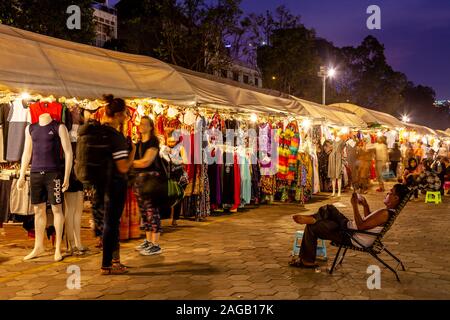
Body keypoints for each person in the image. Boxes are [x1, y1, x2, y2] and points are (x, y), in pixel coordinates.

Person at [290, 184, 409, 268]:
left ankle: (313, 221)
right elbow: (369, 222)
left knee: (318, 221)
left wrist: (354, 206)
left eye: (391, 192)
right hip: (350, 230)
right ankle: (314, 219)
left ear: (396, 198)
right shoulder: (386, 212)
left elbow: (361, 226)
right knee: (325, 216)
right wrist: (365, 205)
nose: (387, 193)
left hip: (350, 235)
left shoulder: (385, 213)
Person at [98, 95, 136, 275]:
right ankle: (107, 264)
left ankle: (115, 261)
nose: (127, 117)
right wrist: (132, 153)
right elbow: (123, 167)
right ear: (119, 114)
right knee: (111, 224)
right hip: (114, 185)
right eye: (126, 114)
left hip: (100, 184)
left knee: (108, 223)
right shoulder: (116, 137)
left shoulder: (99, 131)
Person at [133, 116, 164, 256]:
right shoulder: (139, 143)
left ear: (151, 127)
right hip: (140, 181)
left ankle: (155, 244)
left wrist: (129, 164)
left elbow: (146, 161)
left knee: (152, 211)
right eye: (141, 124)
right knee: (144, 212)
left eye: (145, 124)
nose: (141, 126)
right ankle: (148, 240)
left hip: (151, 180)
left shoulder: (153, 141)